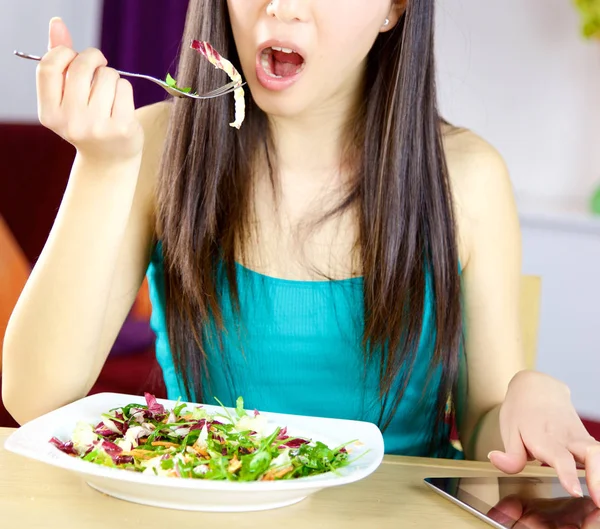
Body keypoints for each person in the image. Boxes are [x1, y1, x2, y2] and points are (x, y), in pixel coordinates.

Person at [3, 0, 599, 505]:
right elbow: (33, 398)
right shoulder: (155, 146)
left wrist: (526, 402)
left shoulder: (466, 178)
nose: (280, 7)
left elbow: (486, 431)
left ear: (395, 8)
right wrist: (102, 164)